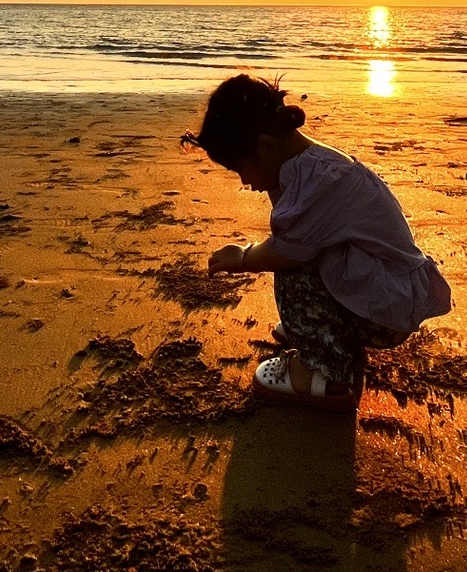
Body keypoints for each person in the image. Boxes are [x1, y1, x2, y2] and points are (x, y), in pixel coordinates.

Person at [181, 72, 452, 411]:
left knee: (292, 267)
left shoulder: (314, 184)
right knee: (300, 254)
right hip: (386, 288)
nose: (246, 182)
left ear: (265, 146)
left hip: (386, 311)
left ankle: (325, 375)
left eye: (241, 170)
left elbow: (284, 251)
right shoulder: (307, 165)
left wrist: (244, 259)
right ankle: (327, 333)